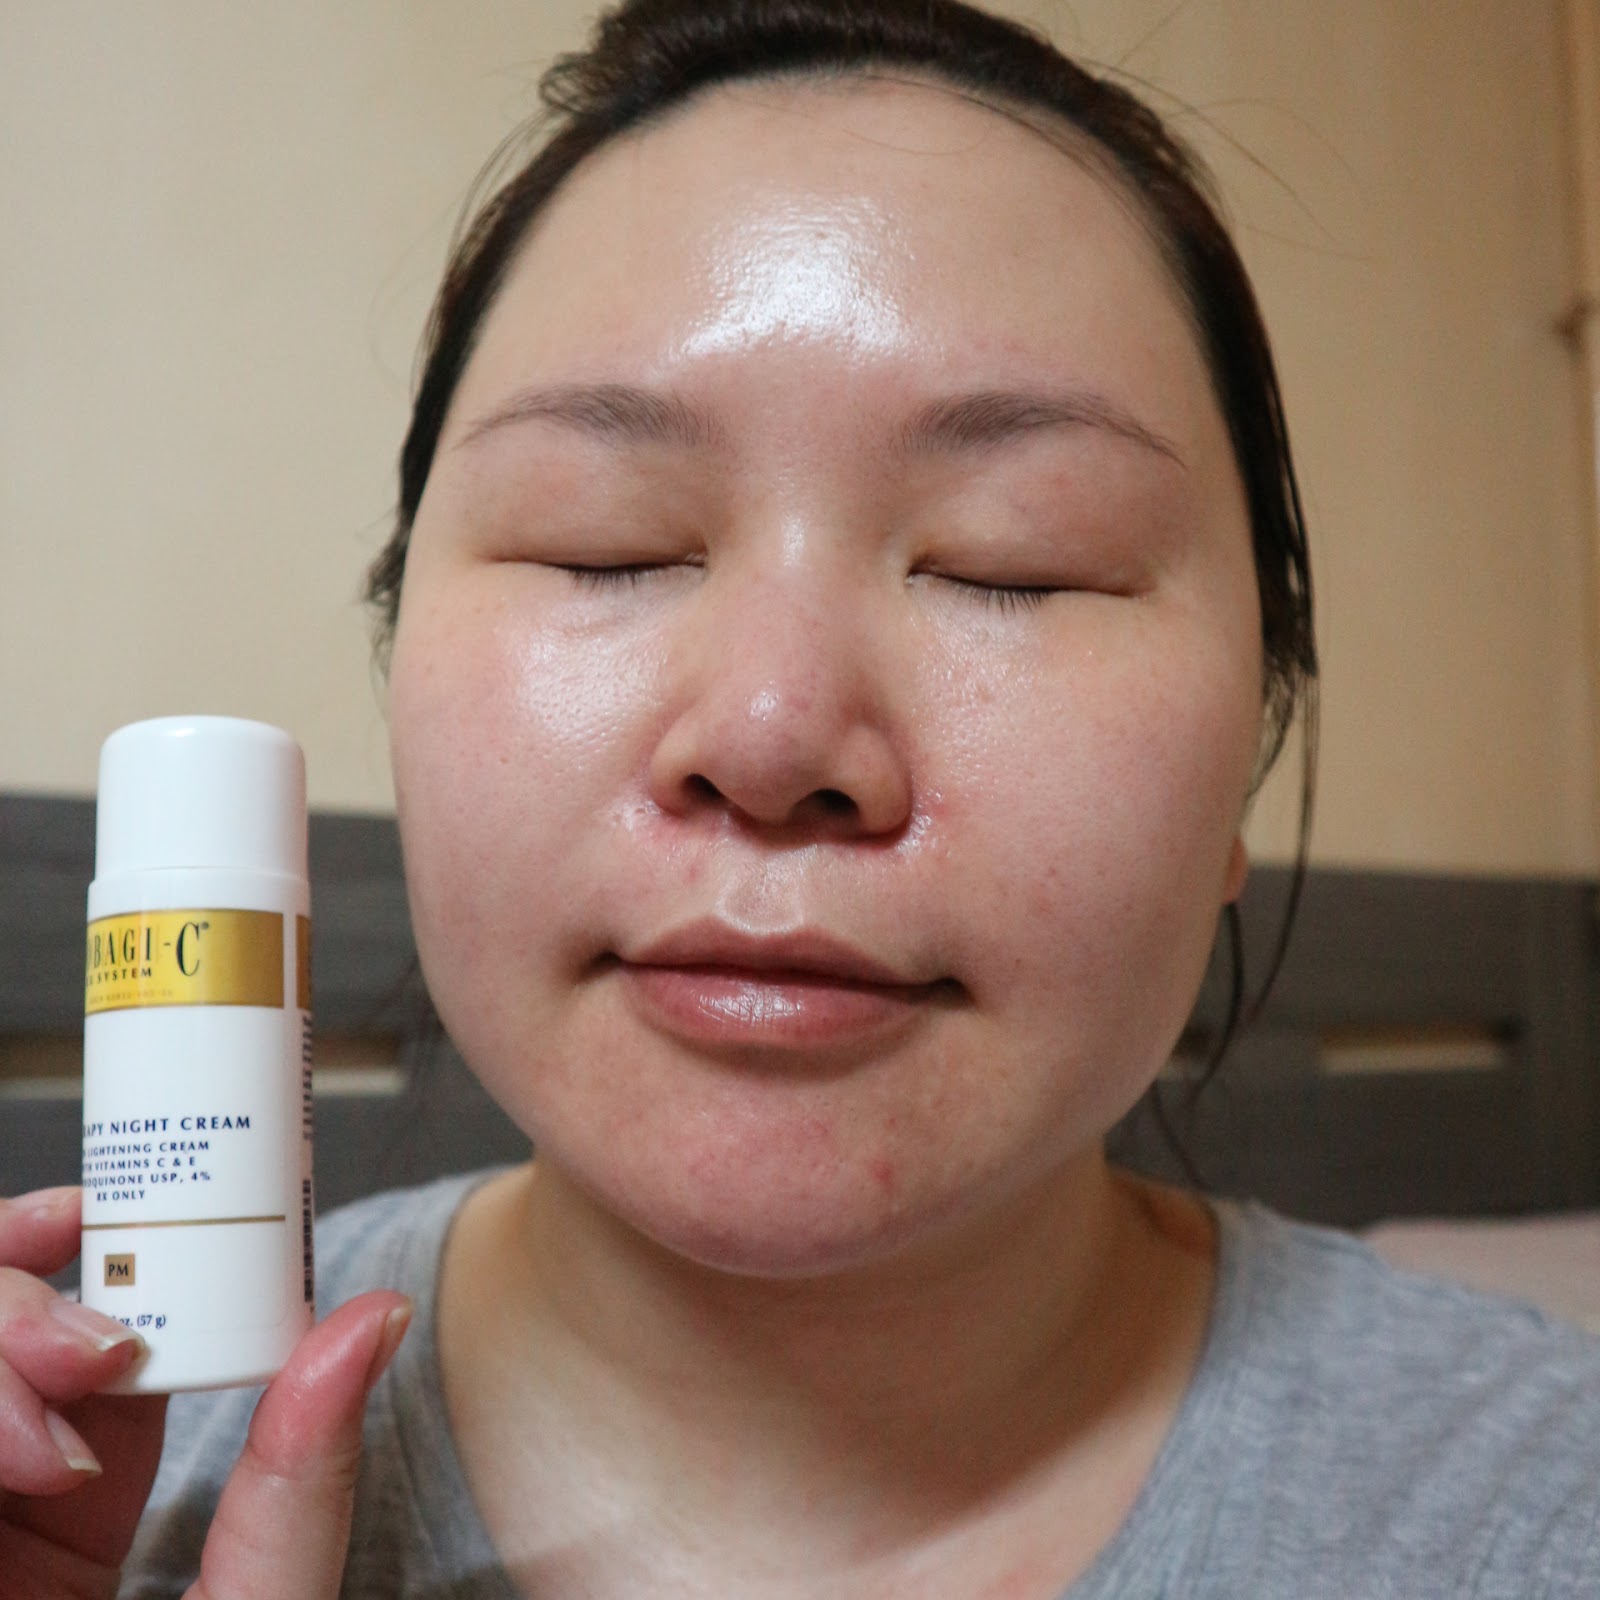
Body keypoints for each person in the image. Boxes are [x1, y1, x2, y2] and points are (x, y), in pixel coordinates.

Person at [4, 1, 1598, 1595]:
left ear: (1251, 744)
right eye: (606, 544)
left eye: (1012, 563)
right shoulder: (93, 1486)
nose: (771, 735)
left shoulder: (1535, 1510)